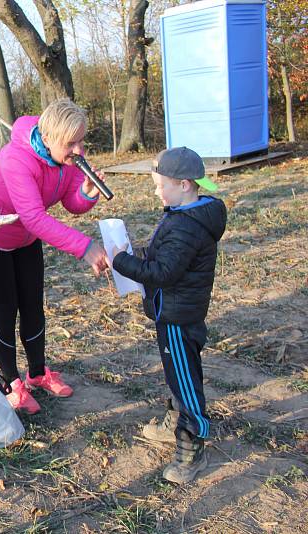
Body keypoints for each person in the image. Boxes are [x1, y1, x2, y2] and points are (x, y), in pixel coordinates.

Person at [0, 99, 110, 414]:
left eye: (81, 141)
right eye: (70, 143)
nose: (78, 149)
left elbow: (71, 202)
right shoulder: (16, 159)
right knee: (5, 308)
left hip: (24, 235)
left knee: (32, 303)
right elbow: (33, 216)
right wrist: (84, 247)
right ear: (47, 138)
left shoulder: (71, 157)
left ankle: (37, 373)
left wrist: (85, 193)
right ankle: (12, 383)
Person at [111, 147, 226, 484]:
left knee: (186, 382)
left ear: (185, 184)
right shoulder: (182, 215)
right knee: (178, 373)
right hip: (174, 311)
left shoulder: (187, 226)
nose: (156, 190)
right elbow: (164, 256)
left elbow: (163, 272)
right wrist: (134, 254)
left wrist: (122, 262)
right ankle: (173, 421)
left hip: (177, 318)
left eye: (161, 184)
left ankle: (192, 447)